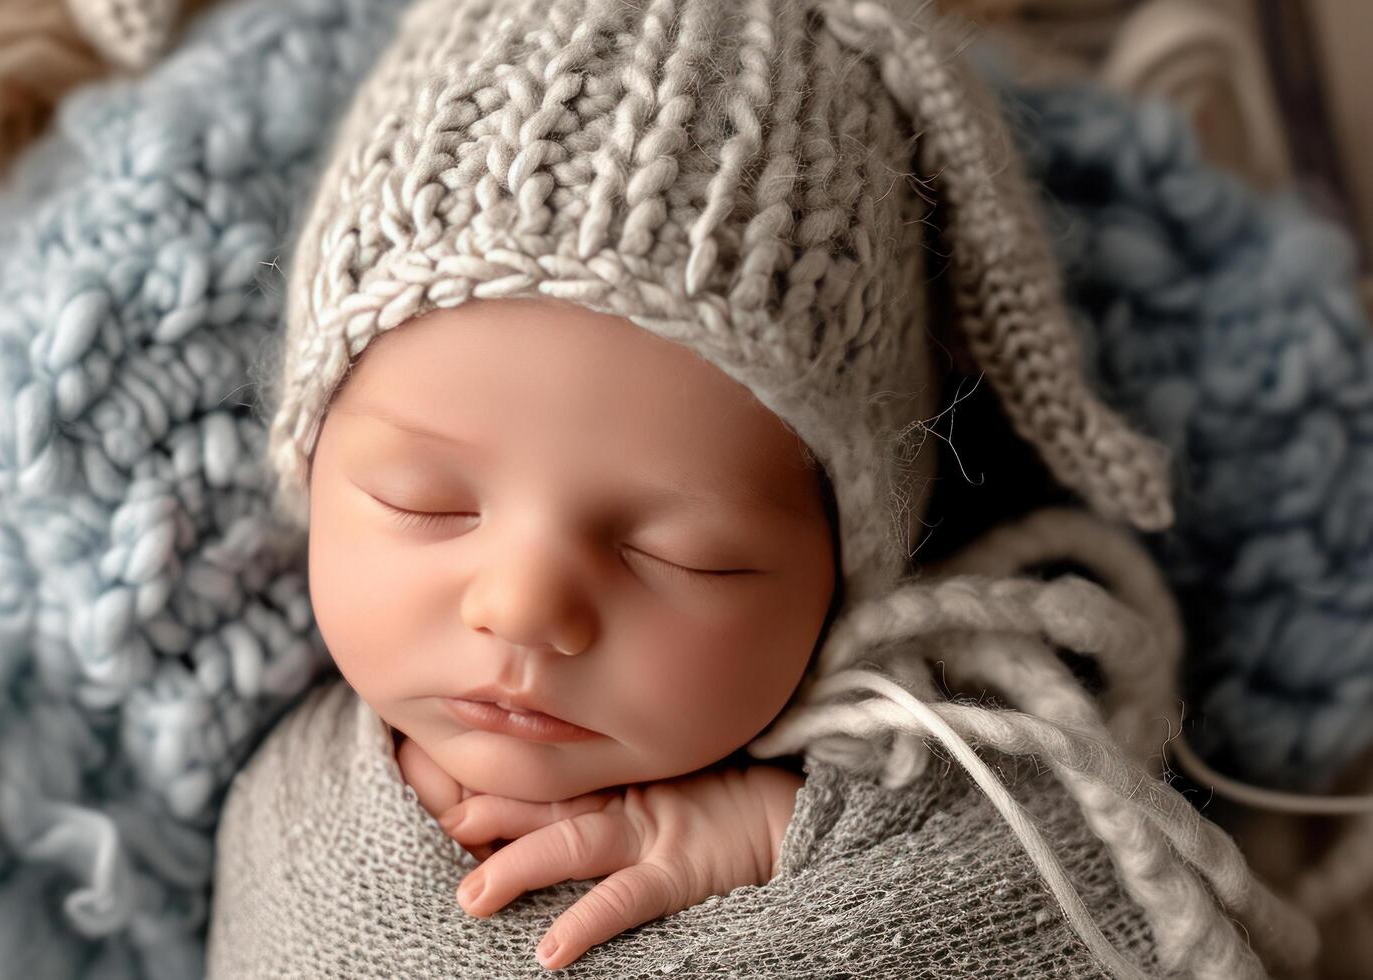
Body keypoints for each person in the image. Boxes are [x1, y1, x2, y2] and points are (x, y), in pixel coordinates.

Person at [206, 0, 1317, 975]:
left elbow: (1131, 917)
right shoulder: (280, 809)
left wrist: (790, 831)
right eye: (422, 499)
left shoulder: (955, 789)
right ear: (309, 463)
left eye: (684, 552)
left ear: (842, 569)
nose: (524, 605)